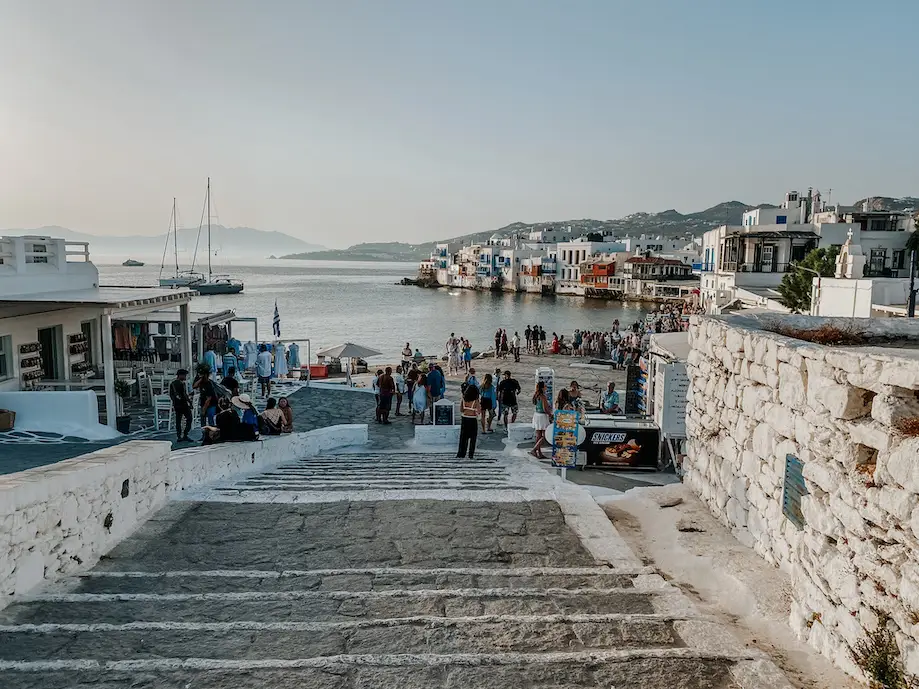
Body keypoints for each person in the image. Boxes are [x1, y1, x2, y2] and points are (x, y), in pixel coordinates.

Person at [457, 384, 481, 459]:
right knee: (473, 438)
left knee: (463, 438)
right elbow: (479, 411)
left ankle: (461, 453)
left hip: (464, 418)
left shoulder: (463, 399)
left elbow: (461, 410)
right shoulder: (476, 401)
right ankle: (471, 454)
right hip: (472, 419)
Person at [169, 368, 193, 442]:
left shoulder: (172, 384)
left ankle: (179, 436)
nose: (185, 377)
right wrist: (190, 402)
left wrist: (174, 402)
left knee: (178, 421)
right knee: (189, 418)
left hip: (176, 405)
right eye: (184, 375)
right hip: (183, 405)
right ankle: (185, 434)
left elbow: (171, 395)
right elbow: (184, 394)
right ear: (180, 375)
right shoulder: (181, 384)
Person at [530, 381, 552, 458]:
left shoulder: (536, 395)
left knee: (538, 435)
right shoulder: (543, 396)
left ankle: (538, 452)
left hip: (537, 415)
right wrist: (550, 415)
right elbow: (545, 408)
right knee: (545, 435)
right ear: (542, 388)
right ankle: (534, 449)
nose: (546, 387)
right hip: (542, 416)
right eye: (545, 386)